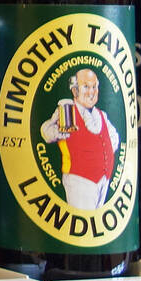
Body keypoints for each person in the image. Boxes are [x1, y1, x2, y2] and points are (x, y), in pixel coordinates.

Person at [39, 68, 119, 209]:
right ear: (75, 90)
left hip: (104, 179)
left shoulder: (101, 114)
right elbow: (46, 131)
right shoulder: (66, 110)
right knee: (83, 220)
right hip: (79, 180)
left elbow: (114, 137)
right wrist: (59, 132)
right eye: (86, 87)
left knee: (97, 221)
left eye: (94, 87)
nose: (92, 91)